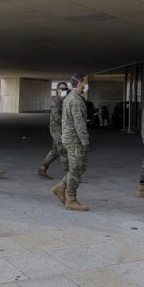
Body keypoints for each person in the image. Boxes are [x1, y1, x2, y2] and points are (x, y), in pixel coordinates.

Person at [53, 73, 90, 211]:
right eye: (85, 81)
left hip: (73, 138)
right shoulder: (75, 100)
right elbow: (79, 123)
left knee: (81, 166)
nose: (86, 84)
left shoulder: (75, 98)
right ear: (80, 83)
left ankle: (60, 188)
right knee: (75, 169)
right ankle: (71, 199)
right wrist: (86, 142)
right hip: (74, 139)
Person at [36, 82, 70, 180]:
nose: (63, 91)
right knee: (63, 149)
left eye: (65, 89)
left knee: (56, 150)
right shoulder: (55, 102)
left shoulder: (64, 100)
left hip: (62, 128)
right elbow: (57, 118)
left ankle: (42, 169)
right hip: (56, 129)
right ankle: (69, 174)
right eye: (61, 89)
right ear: (57, 90)